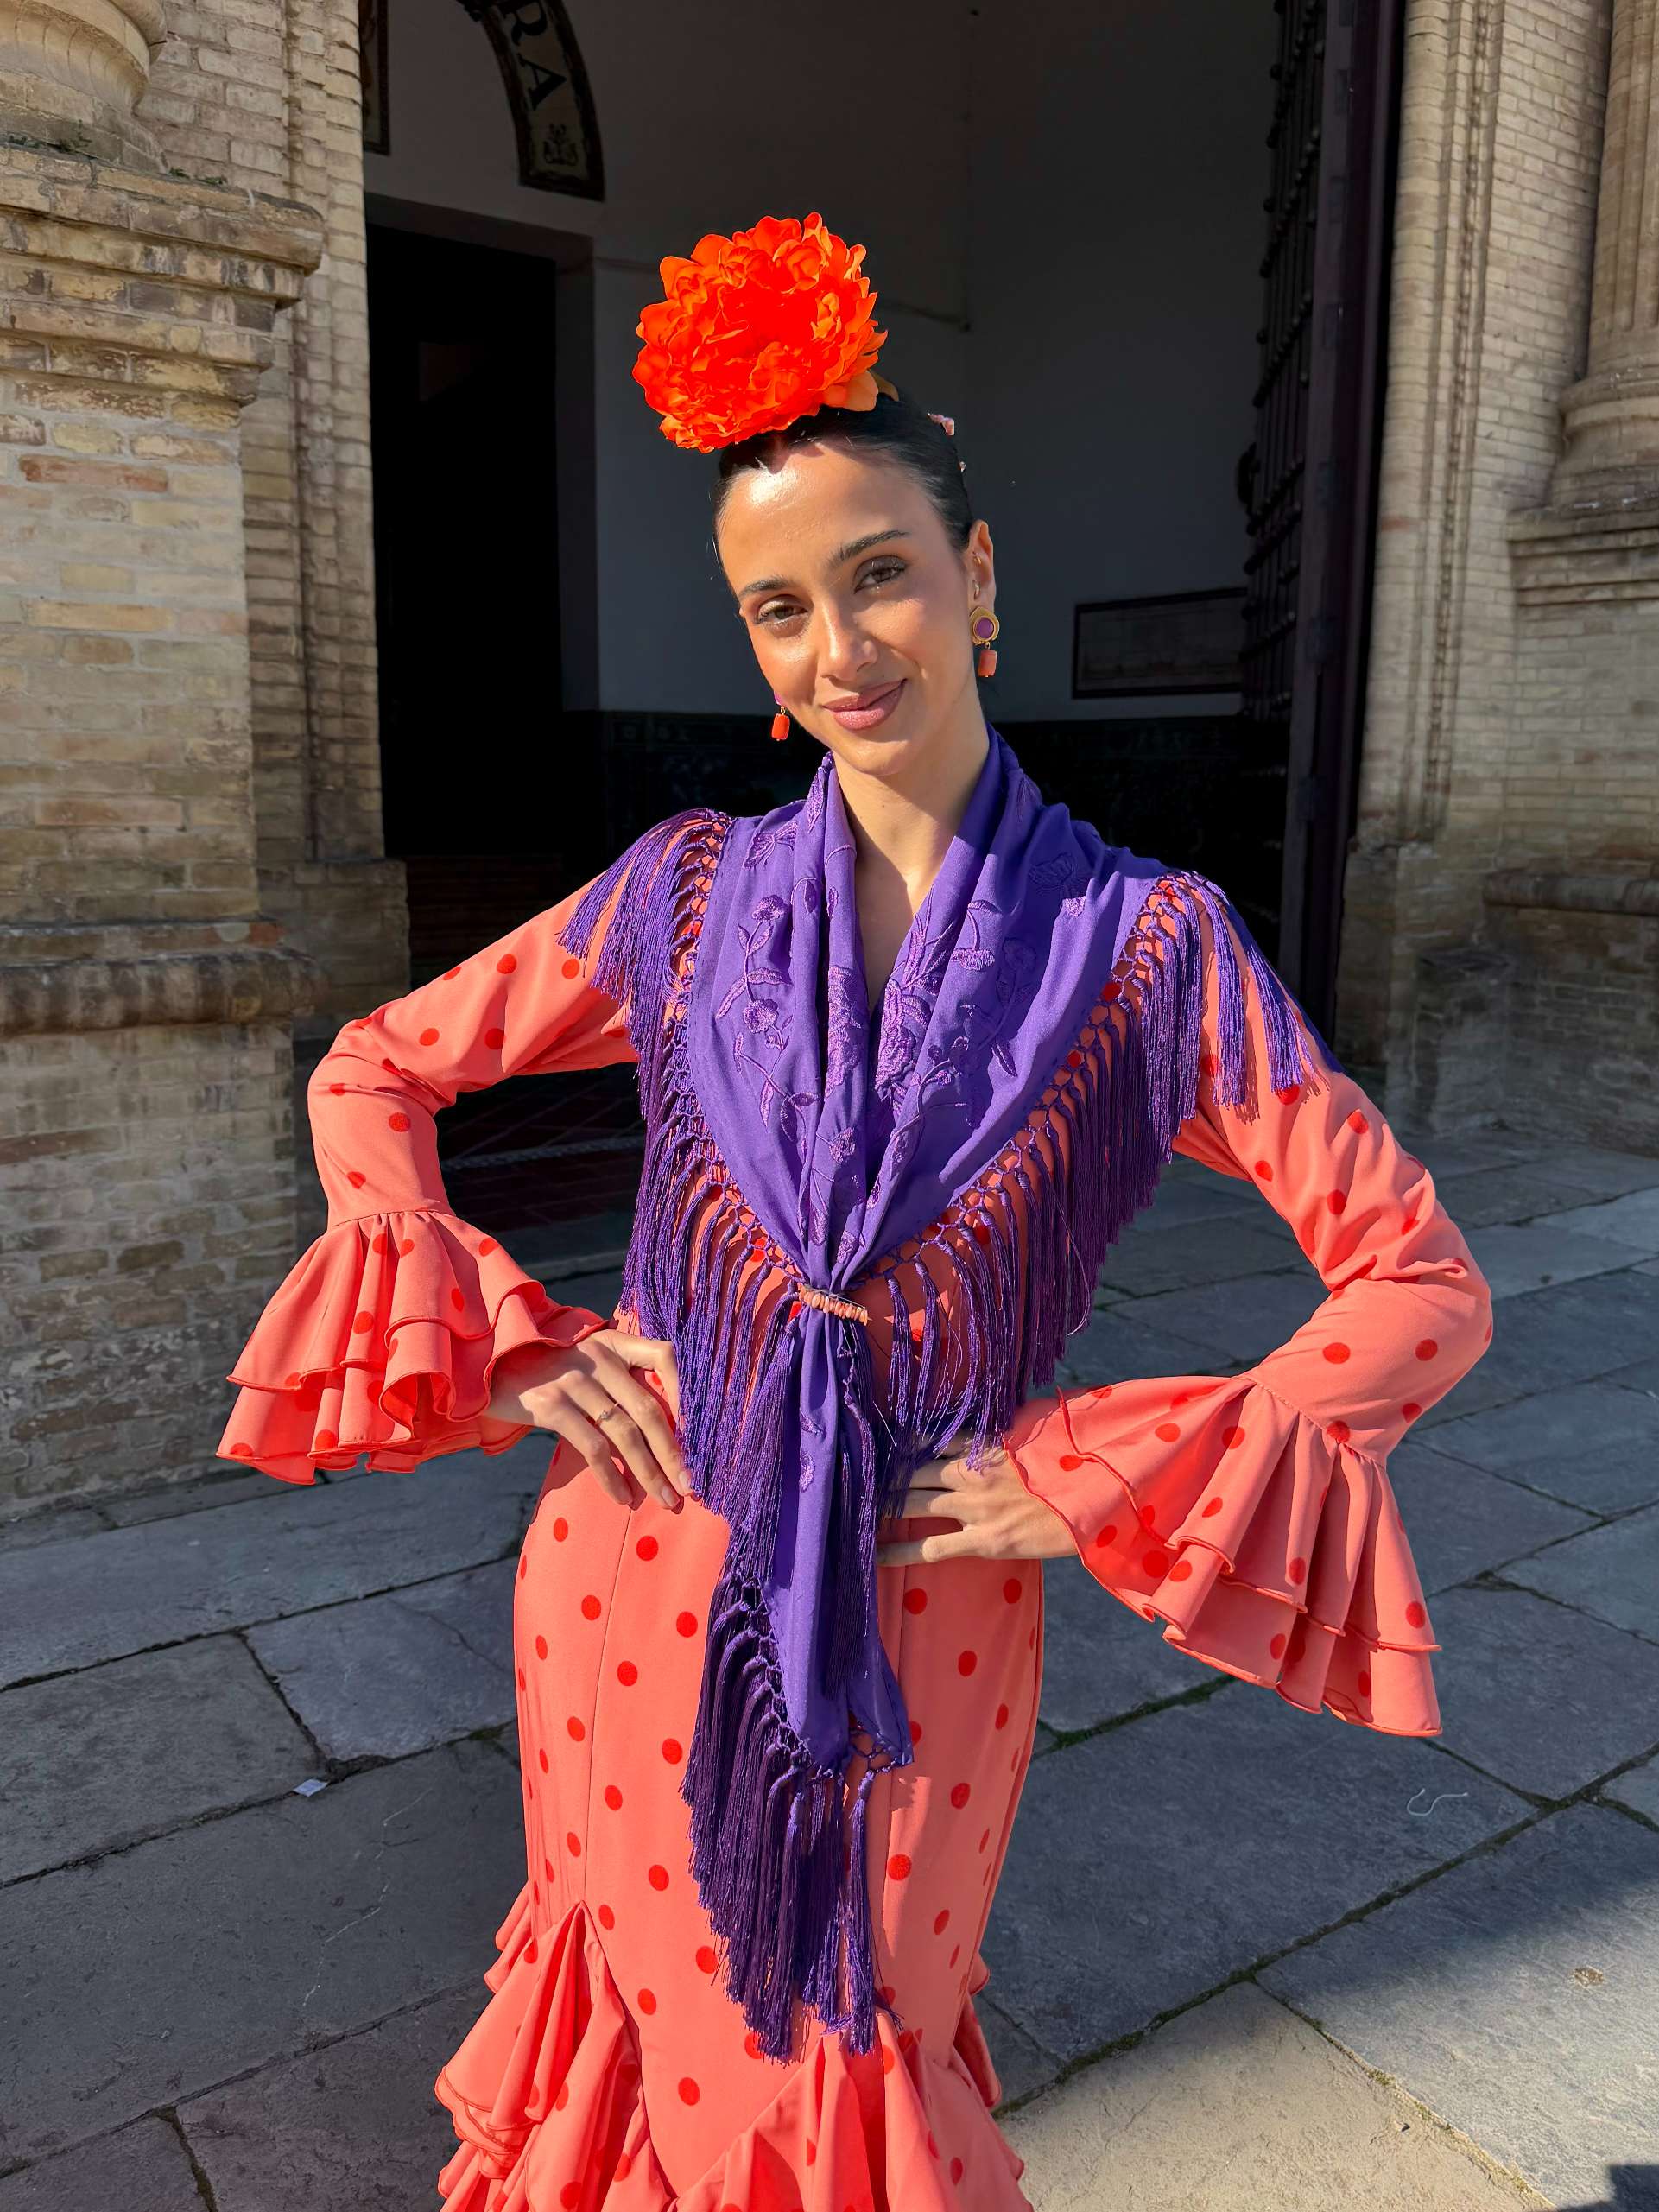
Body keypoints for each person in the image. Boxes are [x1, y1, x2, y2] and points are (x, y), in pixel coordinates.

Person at [218, 212, 1493, 2210]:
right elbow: (374, 1067)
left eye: (879, 576)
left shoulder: (1148, 948)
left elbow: (1414, 1281)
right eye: (777, 609)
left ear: (977, 580)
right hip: (627, 1576)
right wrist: (528, 1340)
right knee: (630, 2011)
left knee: (851, 2038)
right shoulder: (683, 895)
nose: (837, 650)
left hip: (926, 1607)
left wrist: (1091, 1468)